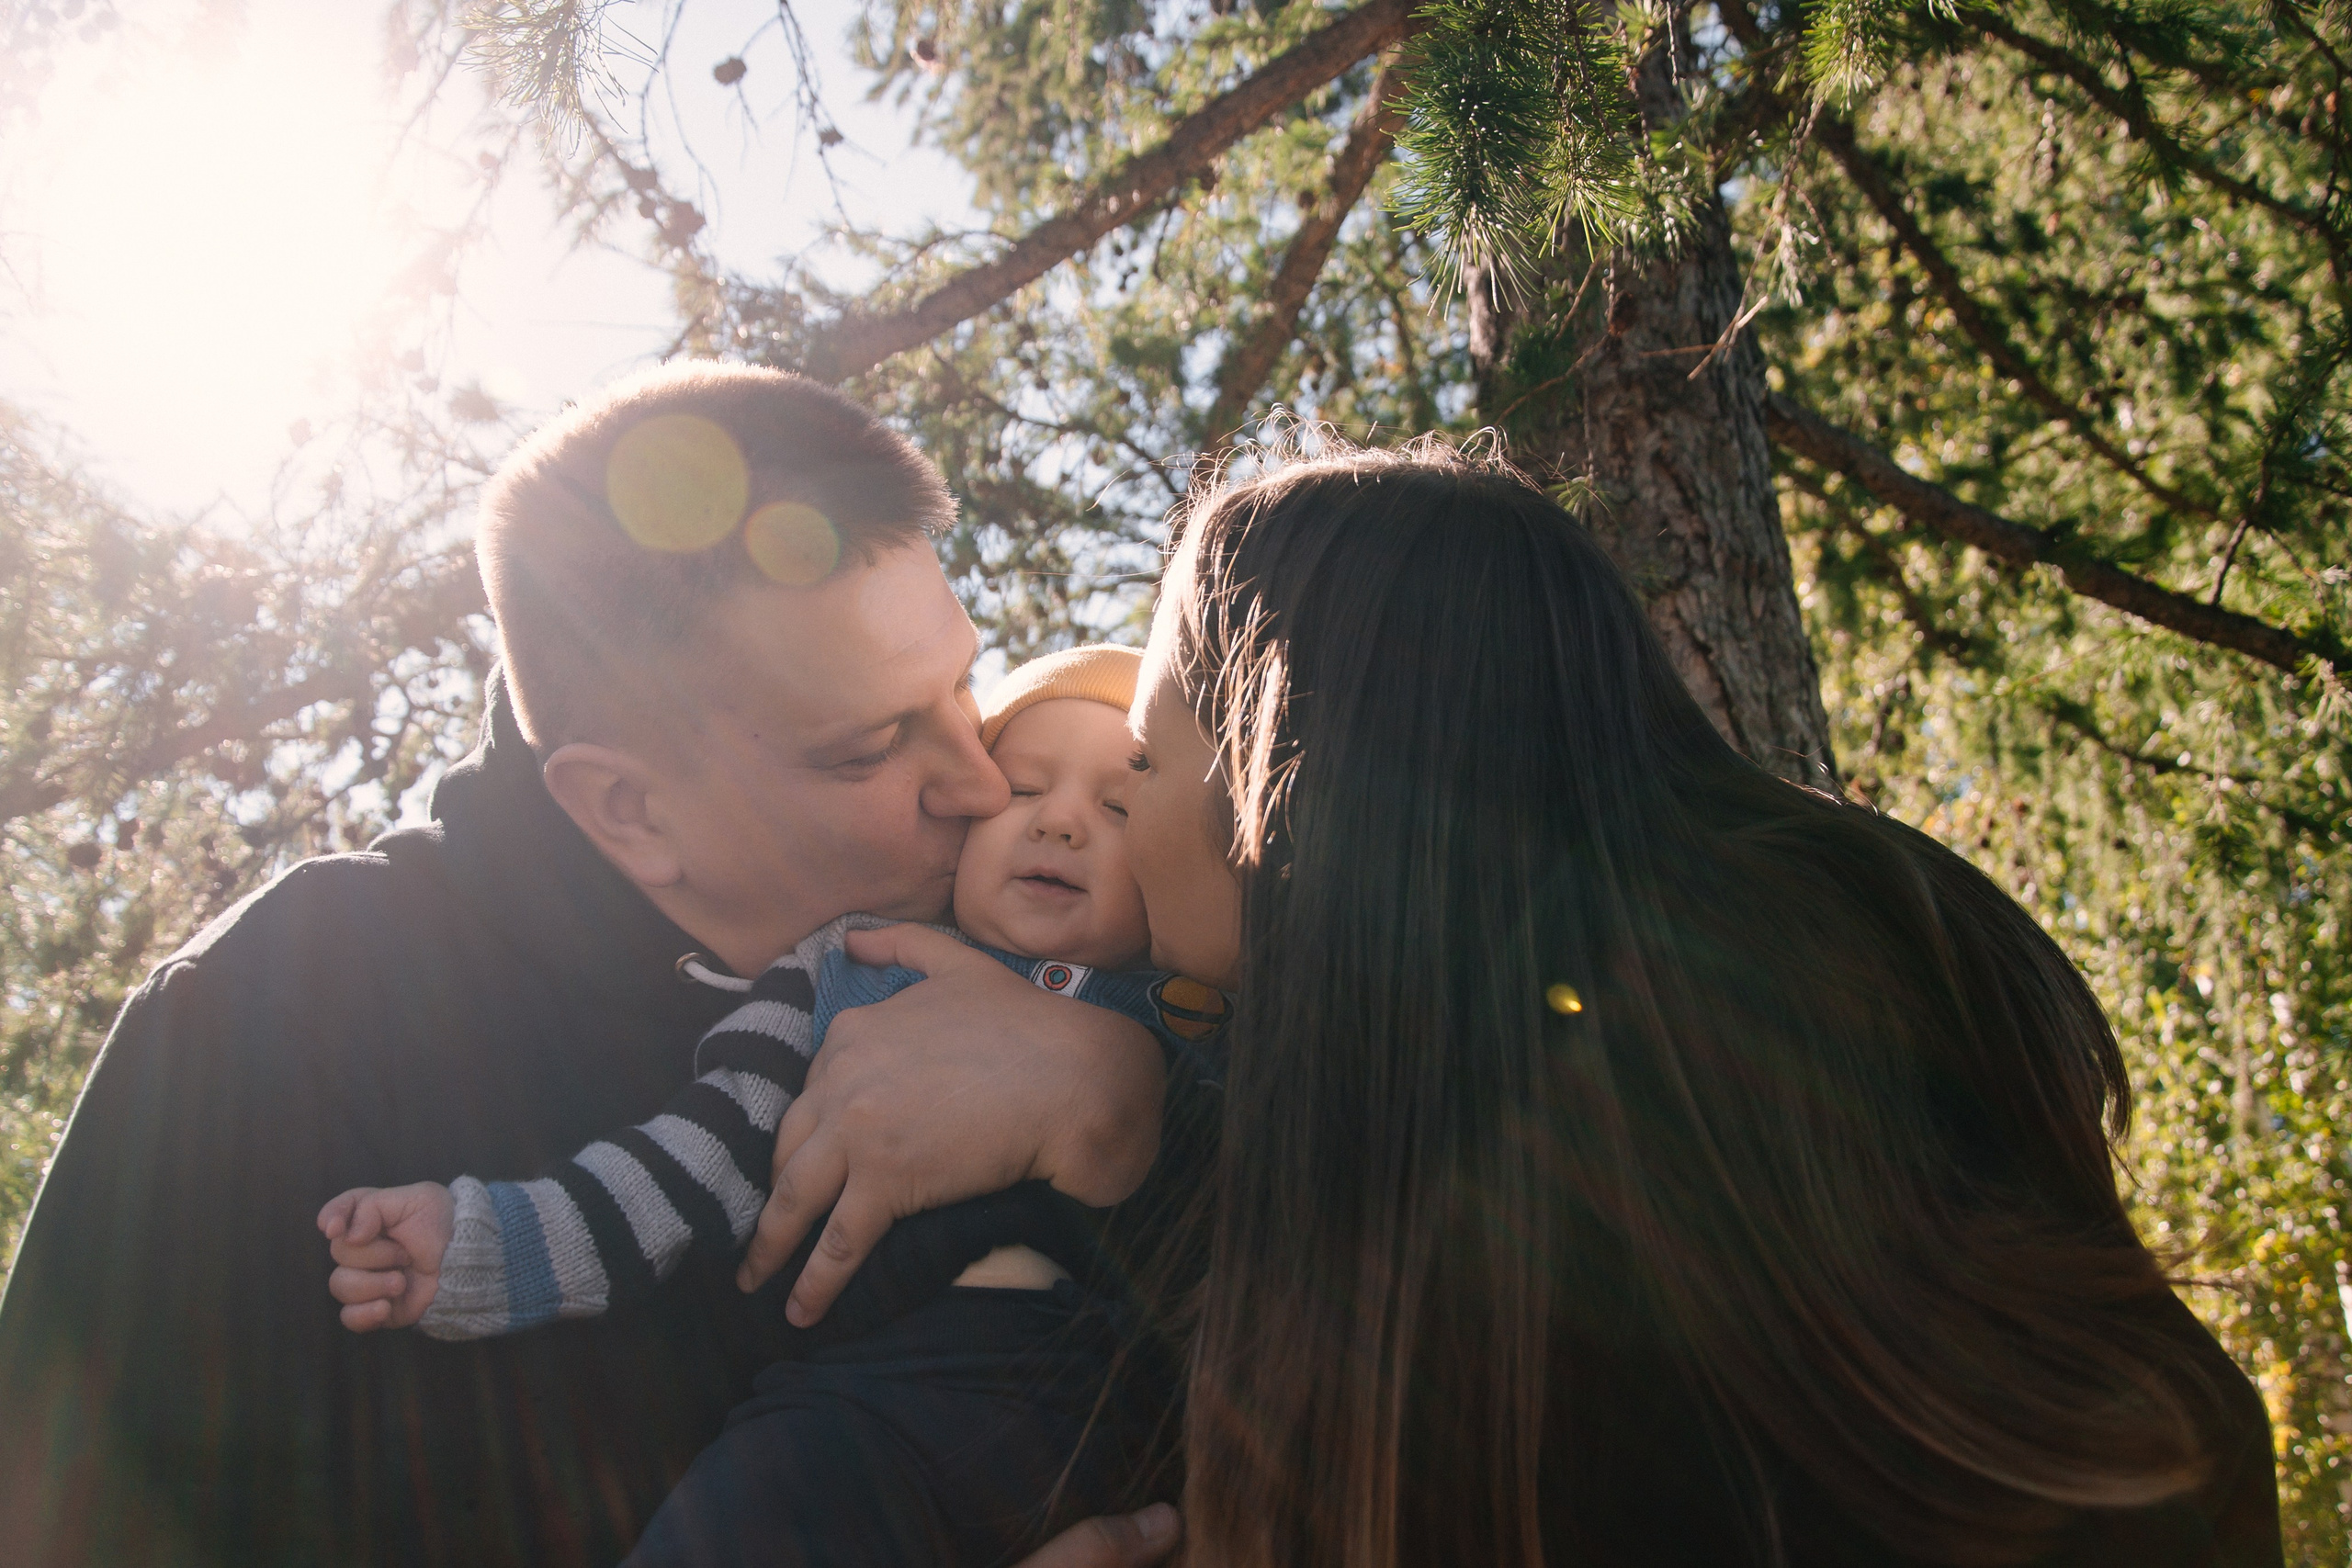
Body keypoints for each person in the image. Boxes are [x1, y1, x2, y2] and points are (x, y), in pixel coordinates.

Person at [0, 364, 1170, 1568]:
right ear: (630, 808)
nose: (979, 778)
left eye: (964, 681)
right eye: (872, 744)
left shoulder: (1073, 945)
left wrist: (1128, 1098)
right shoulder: (274, 1023)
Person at [1105, 441, 2285, 1566]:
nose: (1114, 812)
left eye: (1143, 760)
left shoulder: (1662, 1095)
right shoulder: (1836, 942)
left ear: (1278, 765)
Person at [313, 645, 1216, 1566]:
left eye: (1118, 807)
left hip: (1132, 1424)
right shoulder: (848, 967)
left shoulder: (1199, 1019)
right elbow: (694, 1159)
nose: (1060, 822)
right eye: (1022, 789)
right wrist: (493, 1242)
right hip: (857, 1410)